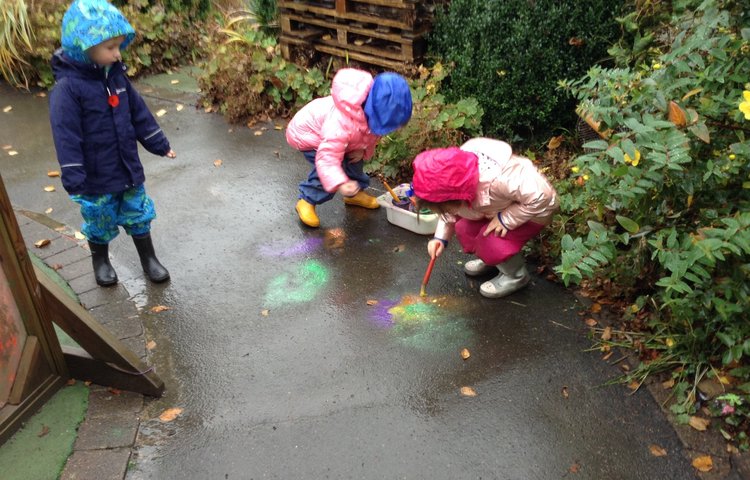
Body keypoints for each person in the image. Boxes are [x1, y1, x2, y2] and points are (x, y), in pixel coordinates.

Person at [49, 0, 176, 287]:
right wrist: (73, 173)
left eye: (119, 46)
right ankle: (101, 260)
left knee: (138, 212)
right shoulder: (68, 89)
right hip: (96, 176)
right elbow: (65, 134)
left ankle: (148, 259)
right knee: (99, 219)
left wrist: (159, 144)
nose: (118, 54)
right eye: (110, 48)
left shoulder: (116, 78)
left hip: (127, 168)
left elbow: (138, 114)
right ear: (84, 46)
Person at [411, 138, 559, 298]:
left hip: (532, 212)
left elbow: (543, 196)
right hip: (493, 210)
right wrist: (440, 238)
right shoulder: (455, 183)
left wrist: (506, 219)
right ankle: (495, 263)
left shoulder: (502, 180)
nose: (444, 210)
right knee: (465, 229)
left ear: (454, 196)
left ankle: (516, 276)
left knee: (491, 242)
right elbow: (449, 211)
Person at [286, 68, 412, 228]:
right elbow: (327, 159)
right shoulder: (340, 122)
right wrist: (340, 183)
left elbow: (372, 133)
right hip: (309, 135)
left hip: (342, 137)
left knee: (354, 159)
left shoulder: (371, 108)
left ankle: (354, 194)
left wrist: (363, 149)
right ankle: (307, 200)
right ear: (372, 112)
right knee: (329, 171)